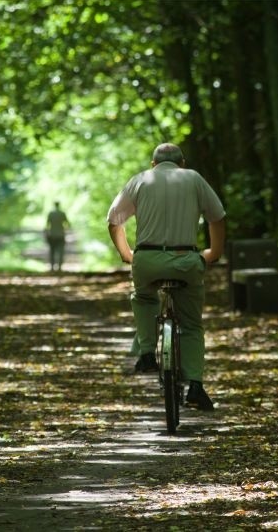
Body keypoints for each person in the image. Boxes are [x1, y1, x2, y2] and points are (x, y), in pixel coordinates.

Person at [106, 143, 226, 411]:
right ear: (182, 163)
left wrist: (128, 254)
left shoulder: (141, 180)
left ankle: (148, 353)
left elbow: (115, 221)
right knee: (192, 324)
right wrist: (214, 252)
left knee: (145, 297)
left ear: (153, 164)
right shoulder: (193, 178)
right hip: (186, 260)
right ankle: (195, 384)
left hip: (147, 260)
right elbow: (217, 218)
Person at [45, 201, 70, 272]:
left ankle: (52, 267)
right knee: (60, 251)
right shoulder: (62, 214)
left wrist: (47, 233)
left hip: (52, 235)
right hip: (60, 235)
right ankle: (59, 267)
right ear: (59, 205)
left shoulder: (51, 214)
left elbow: (47, 225)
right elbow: (68, 224)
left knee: (52, 251)